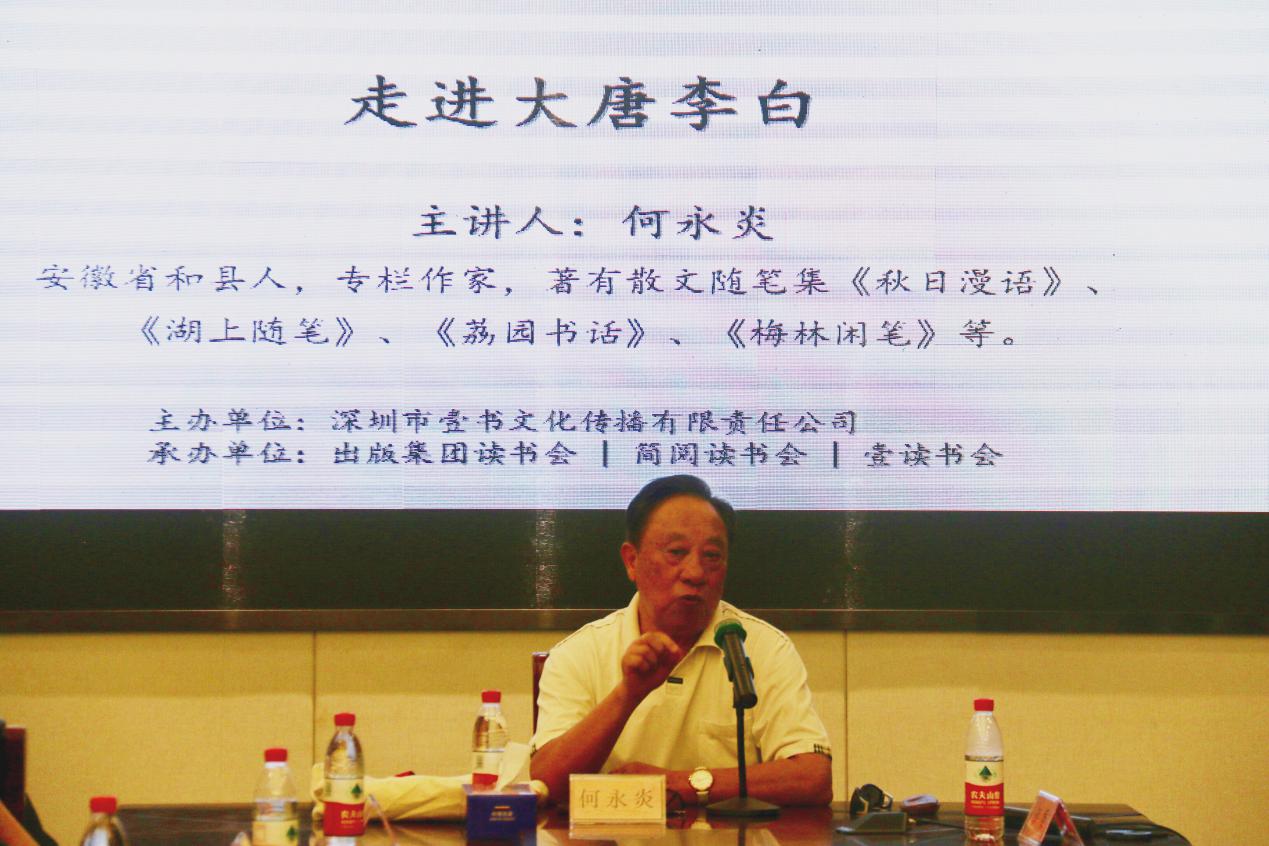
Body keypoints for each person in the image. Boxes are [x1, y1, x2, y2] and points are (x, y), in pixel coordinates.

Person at [530, 475, 833, 806]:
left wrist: (676, 785)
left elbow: (812, 777)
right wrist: (628, 694)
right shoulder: (580, 653)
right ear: (632, 561)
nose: (695, 573)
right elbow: (544, 784)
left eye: (712, 556)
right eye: (676, 552)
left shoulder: (763, 647)